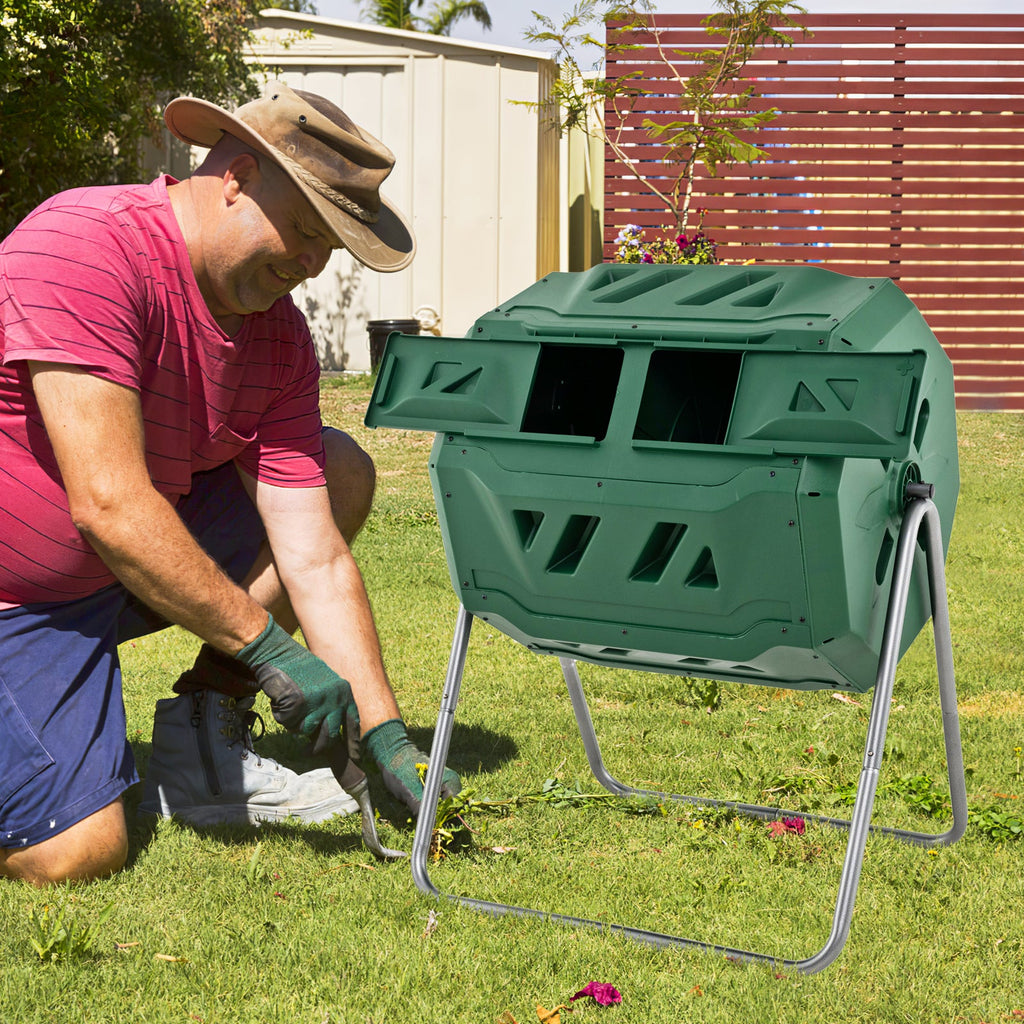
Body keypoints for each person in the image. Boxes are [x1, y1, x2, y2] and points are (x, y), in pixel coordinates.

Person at [0, 82, 460, 886]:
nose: (313, 263)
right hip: (20, 598)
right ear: (238, 178)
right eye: (308, 229)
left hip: (110, 576)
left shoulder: (279, 340)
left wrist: (386, 734)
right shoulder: (87, 245)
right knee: (74, 853)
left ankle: (204, 742)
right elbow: (108, 502)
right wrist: (271, 647)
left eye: (332, 246)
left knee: (339, 465)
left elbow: (311, 555)